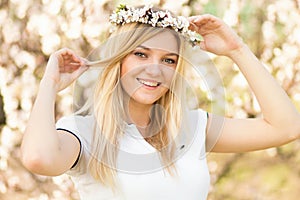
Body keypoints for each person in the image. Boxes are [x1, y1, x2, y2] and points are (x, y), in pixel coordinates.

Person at [20, 4, 300, 200]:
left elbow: (285, 128)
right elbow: (38, 158)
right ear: (119, 58)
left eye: (168, 60)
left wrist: (238, 51)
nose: (155, 70)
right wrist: (50, 85)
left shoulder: (191, 128)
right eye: (141, 54)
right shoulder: (84, 133)